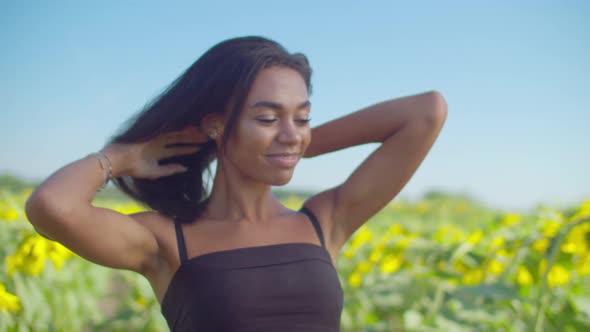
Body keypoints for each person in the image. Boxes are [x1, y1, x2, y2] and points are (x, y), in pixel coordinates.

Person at [24, 36, 447, 331]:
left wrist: (294, 145)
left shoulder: (324, 222)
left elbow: (427, 111)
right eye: (267, 118)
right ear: (215, 125)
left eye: (302, 118)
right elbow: (52, 207)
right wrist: (121, 156)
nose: (291, 131)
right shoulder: (166, 239)